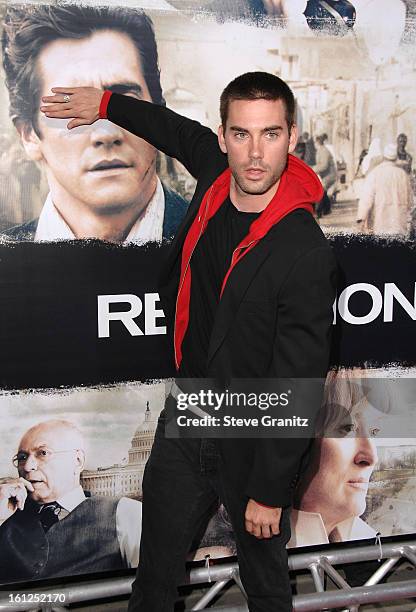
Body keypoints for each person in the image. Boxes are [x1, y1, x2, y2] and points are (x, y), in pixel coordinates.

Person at [40, 71, 337, 611]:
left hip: (252, 429)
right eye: (241, 134)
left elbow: (300, 383)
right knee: (154, 581)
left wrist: (270, 492)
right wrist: (106, 102)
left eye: (270, 134)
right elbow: (169, 128)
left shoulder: (304, 251)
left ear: (291, 139)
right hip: (188, 415)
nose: (254, 153)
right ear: (222, 138)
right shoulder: (215, 176)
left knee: (266, 588)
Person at [1, 5, 188, 243]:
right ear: (29, 135)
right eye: (71, 109)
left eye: (125, 104)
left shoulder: (226, 246)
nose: (106, 132)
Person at [0, 419, 141, 583]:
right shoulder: (5, 514)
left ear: (78, 461)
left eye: (43, 453)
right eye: (22, 457)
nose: (27, 466)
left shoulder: (126, 514)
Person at [289, 373, 379, 547]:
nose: (371, 457)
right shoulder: (232, 556)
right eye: (347, 428)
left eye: (375, 431)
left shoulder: (378, 546)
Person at [357, 143, 413, 235]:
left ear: (384, 157)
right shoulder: (403, 175)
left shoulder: (375, 173)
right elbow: (410, 201)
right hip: (400, 224)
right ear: (396, 158)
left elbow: (366, 198)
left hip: (381, 223)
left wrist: (361, 219)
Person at [314, 134, 337, 217]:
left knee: (320, 190)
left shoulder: (323, 151)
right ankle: (327, 209)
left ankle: (319, 212)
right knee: (322, 191)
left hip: (330, 175)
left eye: (315, 143)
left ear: (317, 143)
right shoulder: (321, 150)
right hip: (327, 175)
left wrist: (313, 169)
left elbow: (324, 165)